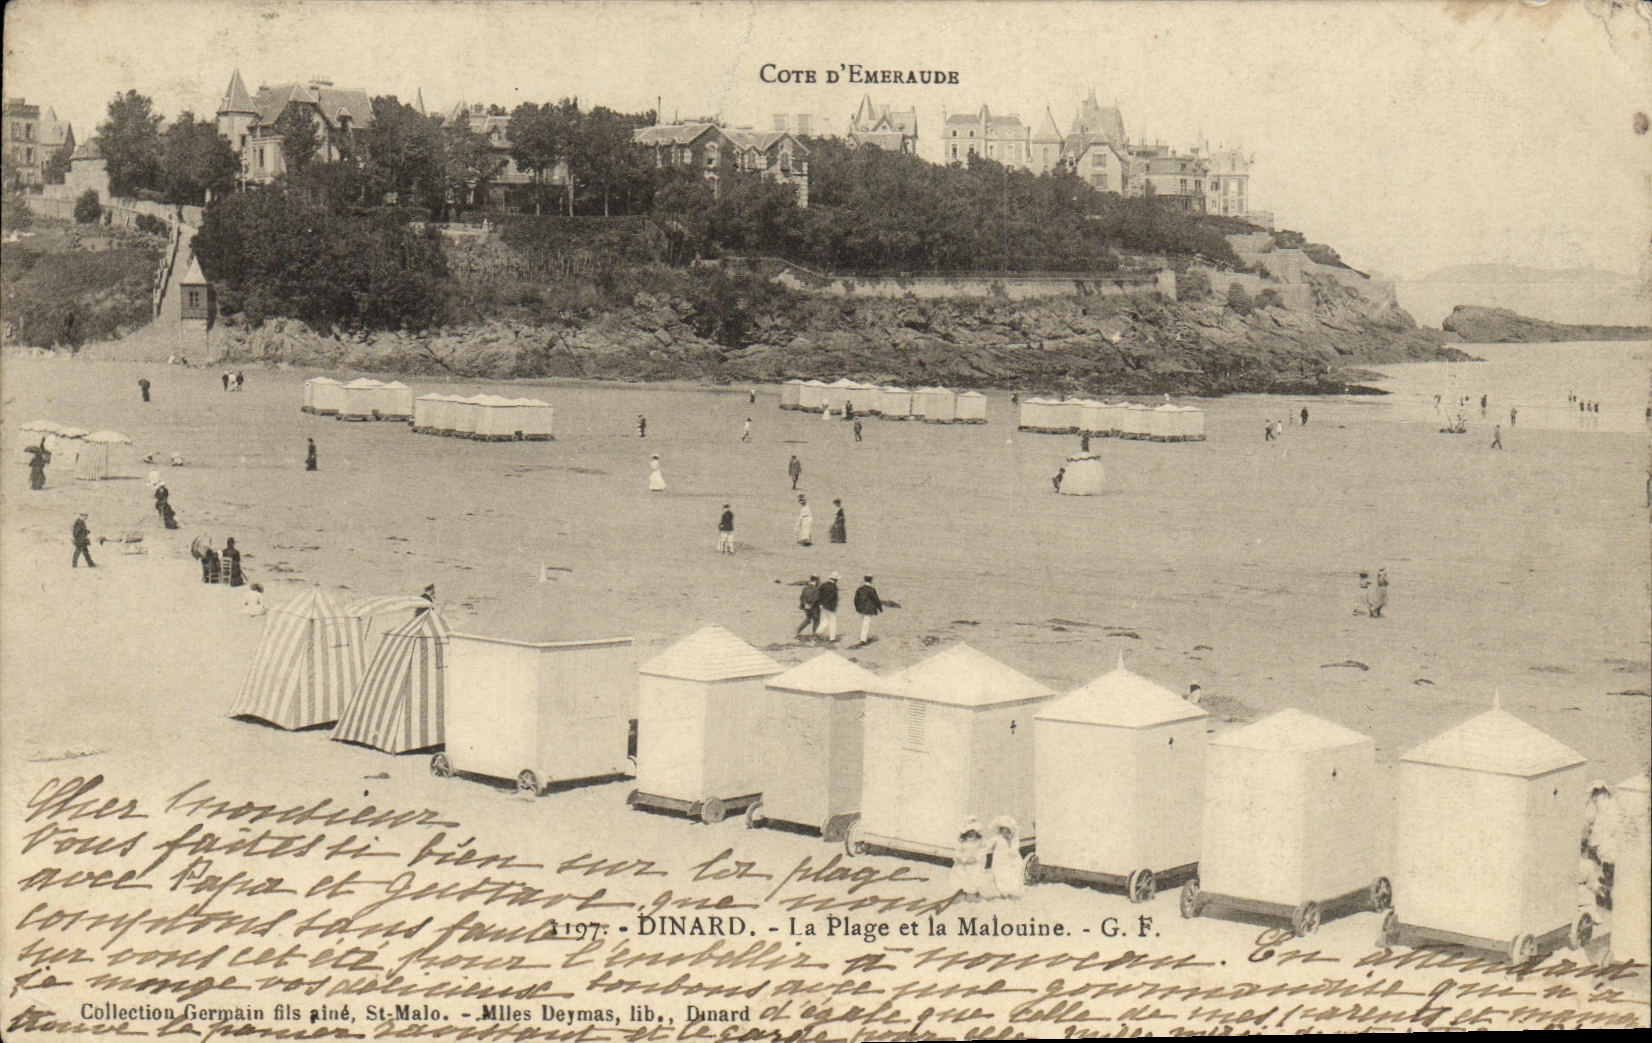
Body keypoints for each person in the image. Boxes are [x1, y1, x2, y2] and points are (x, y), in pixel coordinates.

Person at [949, 819, 989, 901]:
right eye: (970, 831)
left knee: (976, 878)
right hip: (965, 863)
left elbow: (984, 850)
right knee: (963, 877)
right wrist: (963, 858)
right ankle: (964, 893)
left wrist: (978, 857)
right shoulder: (962, 841)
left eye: (974, 831)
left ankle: (976, 893)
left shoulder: (980, 841)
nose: (972, 833)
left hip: (975, 863)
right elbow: (958, 852)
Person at [988, 816, 1025, 899]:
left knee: (1012, 874)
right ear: (1000, 830)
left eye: (1007, 829)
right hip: (1000, 860)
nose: (1005, 831)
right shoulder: (997, 838)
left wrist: (1012, 849)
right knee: (1001, 875)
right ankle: (1003, 891)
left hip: (1012, 859)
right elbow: (989, 845)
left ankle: (1012, 891)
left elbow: (1016, 847)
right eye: (1003, 829)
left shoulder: (1014, 838)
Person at [853, 575, 882, 645]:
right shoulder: (871, 589)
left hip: (861, 608)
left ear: (864, 580)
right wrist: (880, 608)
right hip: (869, 608)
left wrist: (857, 607)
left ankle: (863, 637)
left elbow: (855, 599)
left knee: (864, 621)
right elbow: (876, 599)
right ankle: (863, 639)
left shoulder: (860, 589)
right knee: (866, 623)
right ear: (871, 580)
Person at [817, 572, 840, 642]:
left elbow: (819, 595)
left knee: (825, 620)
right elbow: (834, 598)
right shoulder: (834, 587)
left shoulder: (824, 585)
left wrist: (820, 603)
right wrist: (835, 606)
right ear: (836, 580)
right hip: (830, 607)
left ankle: (818, 632)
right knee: (833, 622)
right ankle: (832, 638)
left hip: (823, 606)